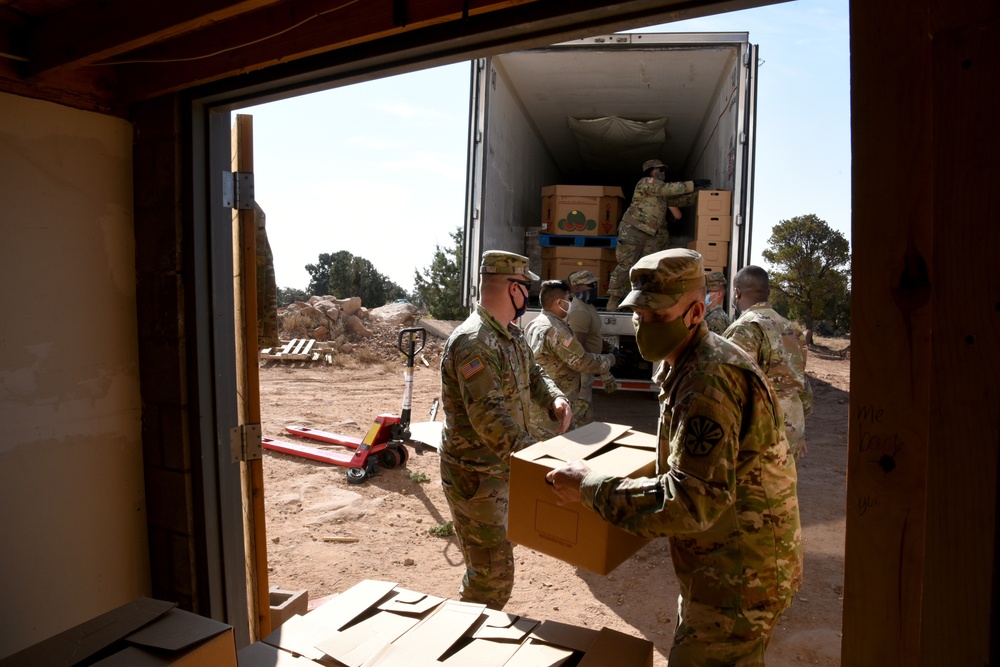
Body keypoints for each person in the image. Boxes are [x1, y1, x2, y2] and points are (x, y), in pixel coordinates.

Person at [546, 248, 802, 665]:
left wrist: (589, 488)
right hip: (719, 566)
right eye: (638, 315)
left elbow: (690, 501)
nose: (644, 326)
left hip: (739, 578)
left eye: (657, 317)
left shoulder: (709, 378)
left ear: (696, 312)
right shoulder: (685, 362)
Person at [439, 250, 572, 610]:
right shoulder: (474, 342)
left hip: (499, 471)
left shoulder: (509, 335)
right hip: (476, 477)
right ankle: (461, 646)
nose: (528, 295)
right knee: (490, 579)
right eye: (525, 287)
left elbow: (535, 372)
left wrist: (555, 399)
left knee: (494, 567)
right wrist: (539, 462)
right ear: (513, 289)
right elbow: (490, 420)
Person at [724, 265, 814, 461]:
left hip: (760, 435)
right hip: (792, 429)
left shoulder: (745, 328)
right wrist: (797, 429)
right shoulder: (791, 328)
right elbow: (802, 386)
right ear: (768, 293)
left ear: (737, 293)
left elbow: (729, 386)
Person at [605, 158, 711, 311]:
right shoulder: (646, 183)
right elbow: (667, 189)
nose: (663, 172)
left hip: (652, 235)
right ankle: (613, 300)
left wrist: (700, 195)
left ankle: (639, 300)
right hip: (633, 230)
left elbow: (680, 200)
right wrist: (691, 184)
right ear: (651, 171)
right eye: (660, 169)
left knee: (649, 268)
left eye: (664, 170)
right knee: (626, 265)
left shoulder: (662, 193)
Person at [524, 280, 617, 439]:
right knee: (555, 452)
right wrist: (610, 360)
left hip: (540, 403)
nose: (571, 304)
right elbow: (581, 361)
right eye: (568, 299)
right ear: (559, 302)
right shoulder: (556, 330)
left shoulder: (533, 324)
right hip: (554, 410)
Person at [565, 269, 617, 424]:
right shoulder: (579, 311)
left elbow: (593, 335)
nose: (595, 287)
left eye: (595, 284)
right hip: (583, 373)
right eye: (590, 285)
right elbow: (578, 348)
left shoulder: (588, 306)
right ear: (577, 288)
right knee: (581, 417)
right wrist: (603, 368)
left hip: (588, 369)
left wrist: (609, 347)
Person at [703, 270, 732, 335]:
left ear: (719, 294)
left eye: (707, 292)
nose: (704, 295)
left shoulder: (715, 319)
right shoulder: (711, 315)